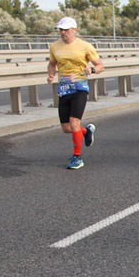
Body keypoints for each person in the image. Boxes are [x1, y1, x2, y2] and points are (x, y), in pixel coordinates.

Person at [46, 16, 104, 170]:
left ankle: (77, 157)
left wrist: (92, 70)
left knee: (74, 123)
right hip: (64, 89)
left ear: (75, 30)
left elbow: (100, 66)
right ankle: (86, 131)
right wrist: (51, 74)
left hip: (79, 87)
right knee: (67, 128)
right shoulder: (54, 47)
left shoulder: (85, 46)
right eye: (61, 30)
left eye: (66, 30)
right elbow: (52, 64)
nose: (63, 32)